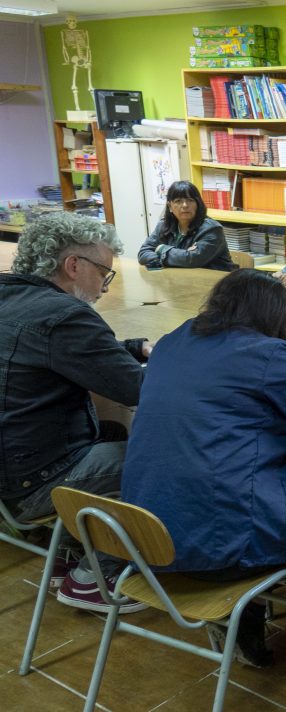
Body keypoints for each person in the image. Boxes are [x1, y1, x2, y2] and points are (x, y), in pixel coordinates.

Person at [120, 269, 286, 666]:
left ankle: (248, 604)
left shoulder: (171, 343)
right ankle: (247, 597)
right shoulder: (267, 355)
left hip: (148, 537)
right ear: (276, 319)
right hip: (224, 545)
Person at [0, 212, 151, 612]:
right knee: (162, 459)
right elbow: (138, 390)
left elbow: (63, 350)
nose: (105, 285)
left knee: (115, 433)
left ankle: (64, 552)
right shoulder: (66, 316)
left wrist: (133, 348)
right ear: (73, 266)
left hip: (10, 473)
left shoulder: (10, 297)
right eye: (104, 272)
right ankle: (94, 576)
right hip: (33, 483)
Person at [137, 180, 235, 271]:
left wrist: (161, 249)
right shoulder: (163, 225)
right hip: (180, 281)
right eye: (178, 201)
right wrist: (176, 257)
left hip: (217, 284)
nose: (185, 205)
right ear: (170, 206)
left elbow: (192, 260)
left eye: (190, 200)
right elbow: (143, 252)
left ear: (198, 204)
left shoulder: (212, 229)